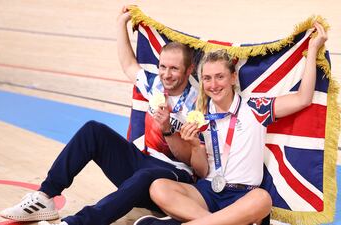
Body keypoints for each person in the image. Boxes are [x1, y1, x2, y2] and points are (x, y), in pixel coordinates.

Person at [0, 5, 199, 225]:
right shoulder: (154, 85)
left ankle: (75, 223)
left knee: (145, 176)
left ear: (189, 70)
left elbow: (193, 162)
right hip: (142, 161)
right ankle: (45, 196)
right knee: (93, 130)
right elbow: (127, 64)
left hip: (174, 176)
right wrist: (121, 24)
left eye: (174, 69)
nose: (166, 74)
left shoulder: (198, 105)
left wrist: (168, 131)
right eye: (162, 67)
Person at [134, 22, 328, 225]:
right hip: (208, 191)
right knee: (158, 188)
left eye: (220, 77)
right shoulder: (199, 116)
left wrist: (313, 50)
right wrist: (193, 146)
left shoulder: (256, 107)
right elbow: (201, 172)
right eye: (207, 78)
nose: (214, 85)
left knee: (262, 199)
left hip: (243, 195)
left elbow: (303, 98)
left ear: (233, 77)